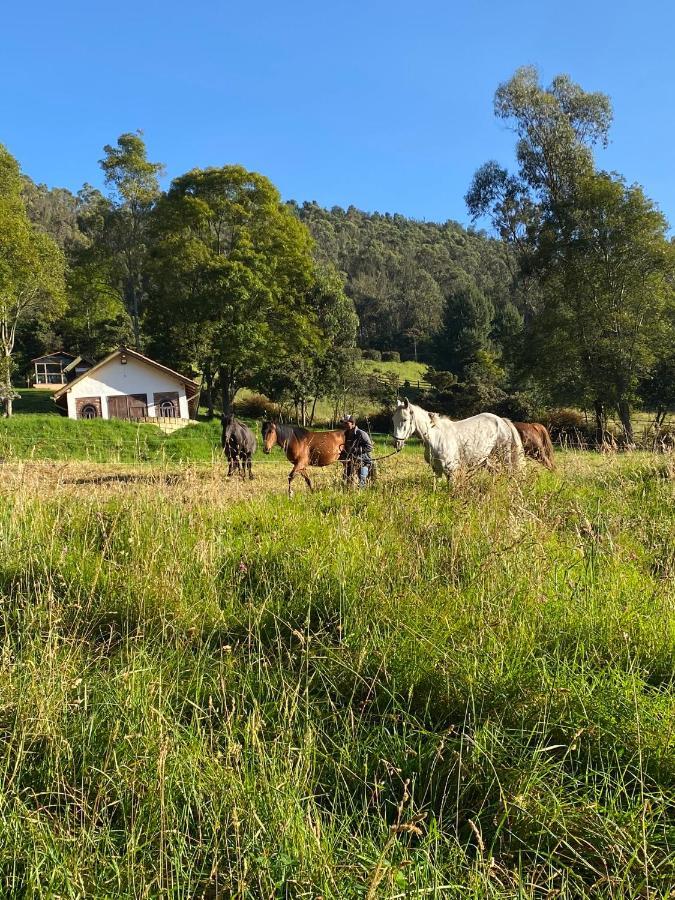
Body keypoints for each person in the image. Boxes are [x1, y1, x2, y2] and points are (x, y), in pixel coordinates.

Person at [340, 415, 374, 487]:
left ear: (353, 423)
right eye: (344, 423)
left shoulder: (361, 433)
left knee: (362, 481)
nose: (344, 425)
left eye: (347, 423)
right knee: (345, 480)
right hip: (350, 462)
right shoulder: (345, 434)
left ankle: (362, 496)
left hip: (362, 461)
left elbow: (370, 447)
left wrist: (356, 450)